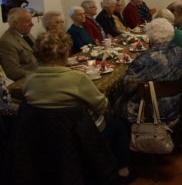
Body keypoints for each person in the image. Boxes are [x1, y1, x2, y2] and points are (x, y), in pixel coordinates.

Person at [24, 31, 134, 183]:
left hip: (44, 136)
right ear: (66, 53)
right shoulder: (76, 78)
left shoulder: (29, 80)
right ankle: (122, 170)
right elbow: (102, 106)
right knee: (120, 126)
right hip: (80, 134)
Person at [117, 18, 182, 125]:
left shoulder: (144, 60)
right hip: (178, 106)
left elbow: (126, 87)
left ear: (150, 37)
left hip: (153, 113)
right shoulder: (181, 52)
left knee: (116, 104)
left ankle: (127, 138)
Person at [0, 8, 37, 81]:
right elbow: (13, 72)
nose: (32, 24)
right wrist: (40, 75)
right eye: (28, 21)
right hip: (28, 80)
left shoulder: (26, 34)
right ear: (15, 24)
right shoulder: (6, 42)